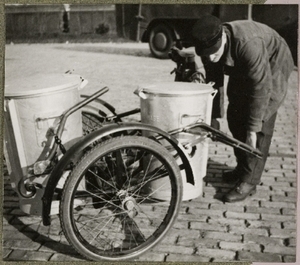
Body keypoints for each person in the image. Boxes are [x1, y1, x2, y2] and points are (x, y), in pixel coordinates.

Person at [191, 15, 294, 202]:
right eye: (206, 55)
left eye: (214, 53)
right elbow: (214, 83)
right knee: (235, 114)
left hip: (273, 62)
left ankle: (249, 180)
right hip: (243, 63)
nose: (211, 58)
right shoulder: (209, 48)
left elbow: (261, 87)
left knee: (260, 122)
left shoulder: (249, 44)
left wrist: (253, 129)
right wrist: (213, 117)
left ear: (223, 37)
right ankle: (242, 166)